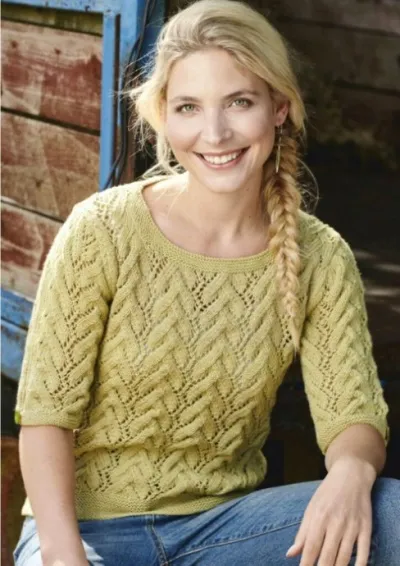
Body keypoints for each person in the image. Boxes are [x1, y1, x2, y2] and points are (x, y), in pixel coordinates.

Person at [13, 1, 399, 565]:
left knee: (391, 512)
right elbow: (46, 414)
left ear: (279, 109)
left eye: (239, 102)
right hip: (84, 532)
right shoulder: (104, 229)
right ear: (163, 117)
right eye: (189, 107)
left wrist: (350, 472)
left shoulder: (321, 256)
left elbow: (353, 415)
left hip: (223, 532)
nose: (215, 134)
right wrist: (64, 553)